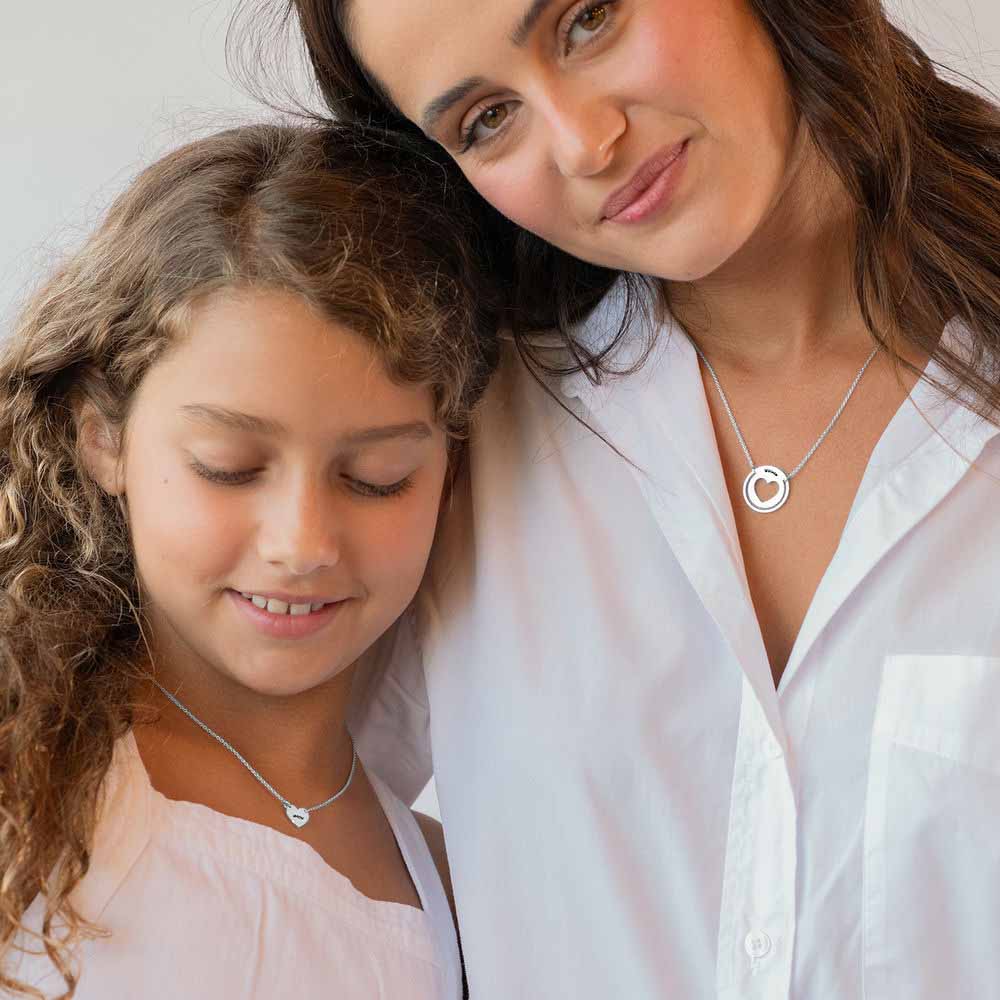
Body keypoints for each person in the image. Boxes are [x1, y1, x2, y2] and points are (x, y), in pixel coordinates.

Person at [259, 0, 1000, 996]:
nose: (585, 142)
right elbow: (256, 820)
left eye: (588, 20)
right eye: (487, 119)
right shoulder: (445, 448)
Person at [0, 122, 499, 999]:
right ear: (103, 438)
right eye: (228, 467)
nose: (302, 545)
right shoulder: (25, 789)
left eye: (377, 478)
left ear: (449, 476)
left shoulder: (458, 903)